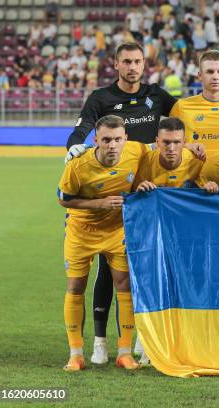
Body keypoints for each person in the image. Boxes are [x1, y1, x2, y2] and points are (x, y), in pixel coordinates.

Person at [57, 115, 149, 371]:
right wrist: (98, 203)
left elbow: (164, 145)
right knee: (76, 286)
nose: (112, 145)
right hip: (81, 229)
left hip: (116, 228)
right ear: (95, 140)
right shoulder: (78, 166)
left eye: (117, 139)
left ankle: (124, 353)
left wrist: (192, 147)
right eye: (106, 139)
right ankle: (76, 354)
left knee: (123, 284)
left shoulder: (137, 150)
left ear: (125, 139)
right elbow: (63, 199)